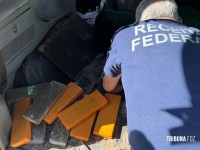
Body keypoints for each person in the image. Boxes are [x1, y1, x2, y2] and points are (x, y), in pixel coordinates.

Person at [103, 0, 200, 149]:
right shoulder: (196, 34)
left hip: (148, 145)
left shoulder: (125, 35)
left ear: (138, 22)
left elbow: (108, 86)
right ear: (179, 20)